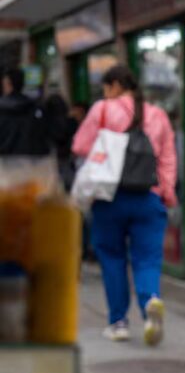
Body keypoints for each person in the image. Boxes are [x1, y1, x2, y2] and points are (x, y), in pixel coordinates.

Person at [72, 65, 177, 346]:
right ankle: (150, 301)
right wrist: (166, 192)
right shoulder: (158, 115)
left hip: (109, 197)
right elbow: (167, 158)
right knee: (148, 258)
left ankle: (118, 322)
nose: (106, 94)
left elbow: (80, 145)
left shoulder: (103, 110)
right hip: (149, 196)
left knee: (112, 258)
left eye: (106, 88)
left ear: (116, 85)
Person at [0, 67, 50, 156]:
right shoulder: (35, 108)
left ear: (8, 84)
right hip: (31, 163)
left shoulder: (2, 108)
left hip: (5, 162)